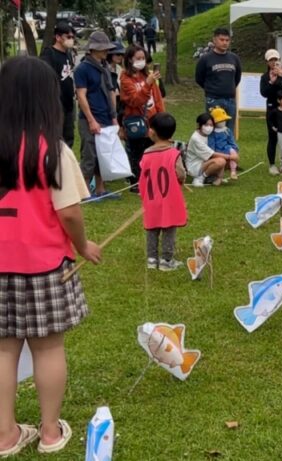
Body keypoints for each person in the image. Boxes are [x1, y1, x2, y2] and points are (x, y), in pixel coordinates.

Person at [0, 56, 101, 457]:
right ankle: (49, 432)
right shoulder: (53, 151)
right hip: (44, 266)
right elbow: (70, 212)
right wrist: (83, 245)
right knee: (47, 348)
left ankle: (5, 434)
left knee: (3, 349)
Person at [139, 112, 187, 271]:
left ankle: (152, 259)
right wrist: (181, 179)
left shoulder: (146, 153)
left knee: (152, 227)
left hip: (151, 198)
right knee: (169, 227)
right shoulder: (174, 154)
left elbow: (143, 171)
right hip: (169, 198)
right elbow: (180, 173)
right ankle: (166, 260)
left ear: (152, 132)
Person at [74, 31, 119, 199]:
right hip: (90, 118)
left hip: (106, 116)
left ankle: (101, 189)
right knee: (89, 154)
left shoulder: (105, 68)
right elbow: (81, 96)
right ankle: (84, 191)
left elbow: (111, 91)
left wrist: (113, 116)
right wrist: (91, 120)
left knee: (103, 155)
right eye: (103, 48)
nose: (106, 51)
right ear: (93, 49)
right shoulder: (82, 69)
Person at [120, 45, 165, 192]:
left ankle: (151, 179)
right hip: (136, 120)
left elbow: (157, 98)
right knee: (137, 152)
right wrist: (147, 84)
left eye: (143, 58)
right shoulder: (125, 78)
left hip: (152, 118)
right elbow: (135, 100)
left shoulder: (147, 75)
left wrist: (161, 116)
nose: (141, 61)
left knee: (151, 150)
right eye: (138, 58)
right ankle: (136, 182)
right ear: (129, 59)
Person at [195, 27, 242, 132]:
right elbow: (199, 78)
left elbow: (237, 77)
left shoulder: (234, 58)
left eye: (227, 40)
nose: (225, 43)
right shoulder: (205, 59)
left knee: (229, 131)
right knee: (213, 130)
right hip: (214, 100)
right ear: (214, 40)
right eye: (222, 40)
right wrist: (211, 89)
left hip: (230, 100)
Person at [40, 23, 77, 148]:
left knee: (69, 137)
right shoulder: (49, 54)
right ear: (58, 37)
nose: (71, 40)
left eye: (72, 37)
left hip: (68, 104)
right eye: (68, 37)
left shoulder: (68, 54)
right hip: (55, 104)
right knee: (55, 139)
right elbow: (45, 79)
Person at [187, 112, 228, 187]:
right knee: (221, 161)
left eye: (211, 125)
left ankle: (218, 178)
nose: (209, 127)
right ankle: (199, 178)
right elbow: (212, 154)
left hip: (205, 162)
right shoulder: (196, 138)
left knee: (223, 159)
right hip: (195, 166)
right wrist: (231, 157)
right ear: (199, 125)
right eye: (206, 125)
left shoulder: (208, 135)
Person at [207, 107, 240, 180]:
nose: (223, 122)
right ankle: (218, 176)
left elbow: (231, 141)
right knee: (220, 161)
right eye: (220, 121)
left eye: (224, 120)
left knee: (233, 153)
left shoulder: (227, 130)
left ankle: (233, 171)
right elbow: (211, 145)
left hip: (227, 148)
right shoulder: (212, 132)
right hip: (217, 151)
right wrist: (213, 153)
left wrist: (235, 149)